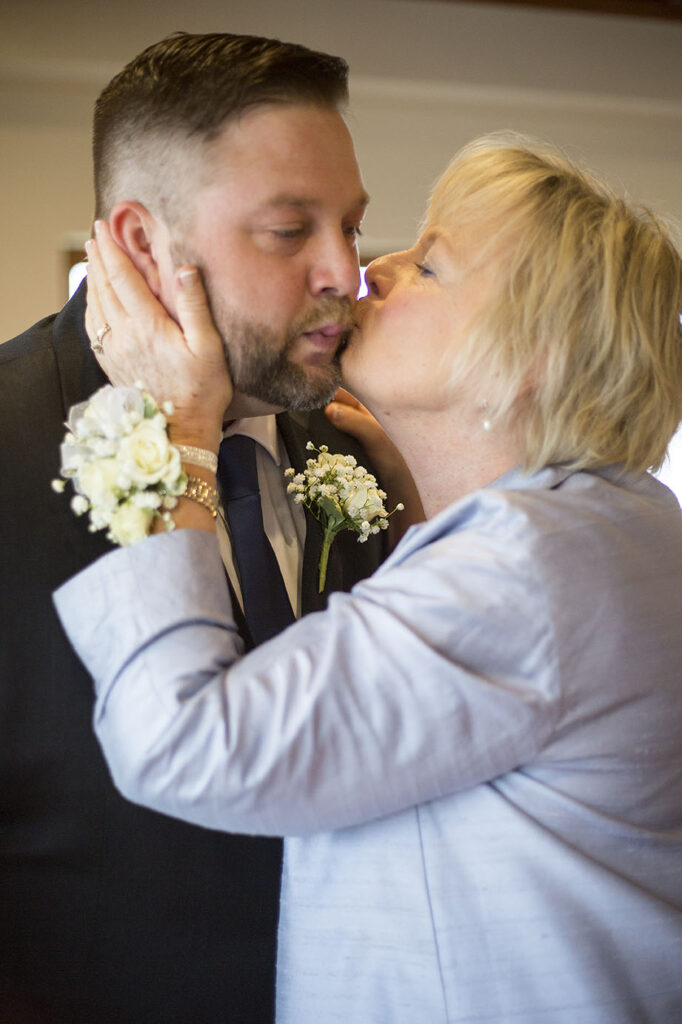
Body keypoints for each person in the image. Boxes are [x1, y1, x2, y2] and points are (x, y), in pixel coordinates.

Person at [56, 132, 682, 1023]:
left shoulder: (526, 567)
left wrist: (179, 429)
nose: (371, 270)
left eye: (430, 266)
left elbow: (182, 740)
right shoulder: (631, 524)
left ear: (530, 355)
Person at [0, 31, 407, 1024]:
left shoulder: (359, 445)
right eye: (288, 230)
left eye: (351, 226)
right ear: (143, 243)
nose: (346, 274)